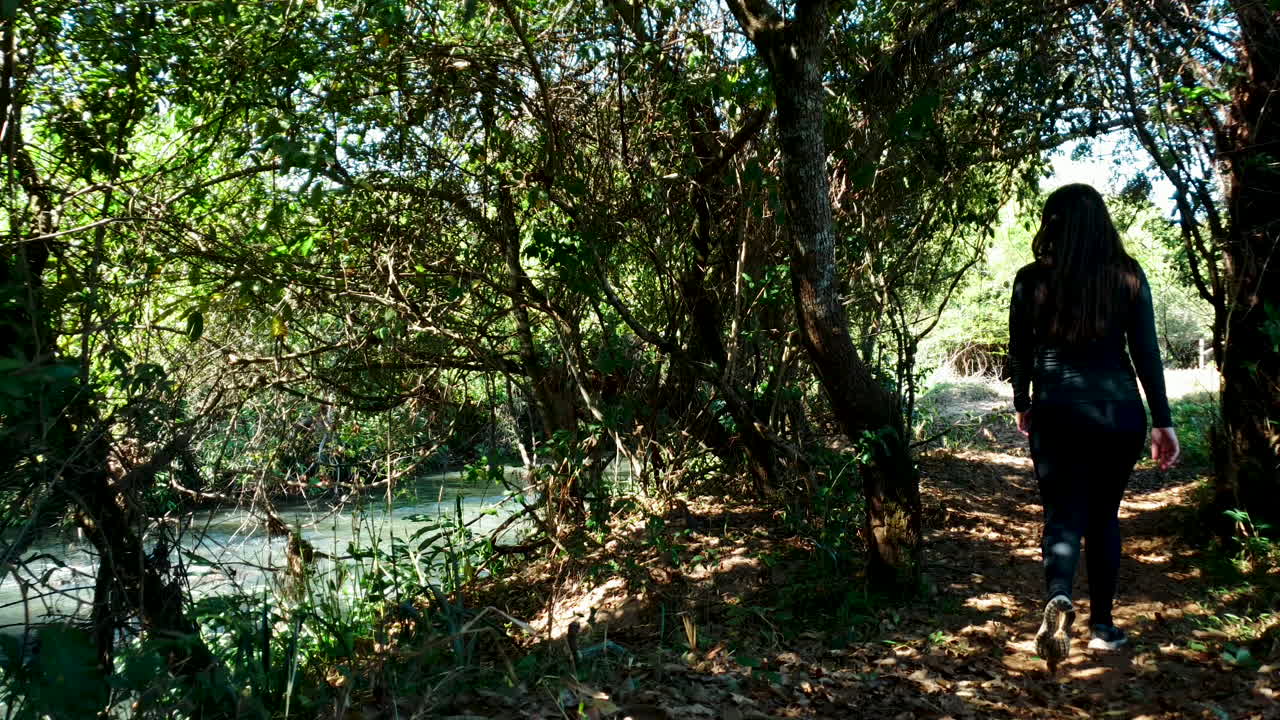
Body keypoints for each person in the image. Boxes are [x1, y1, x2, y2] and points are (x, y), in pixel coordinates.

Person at [1007, 184, 1181, 670]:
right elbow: (1146, 351)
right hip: (1118, 410)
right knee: (1104, 517)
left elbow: (1019, 350)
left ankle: (1059, 596)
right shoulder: (1127, 275)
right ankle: (1103, 628)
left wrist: (1023, 402)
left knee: (1062, 514)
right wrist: (1163, 422)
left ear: (1052, 224)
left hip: (1057, 410)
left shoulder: (1030, 279)